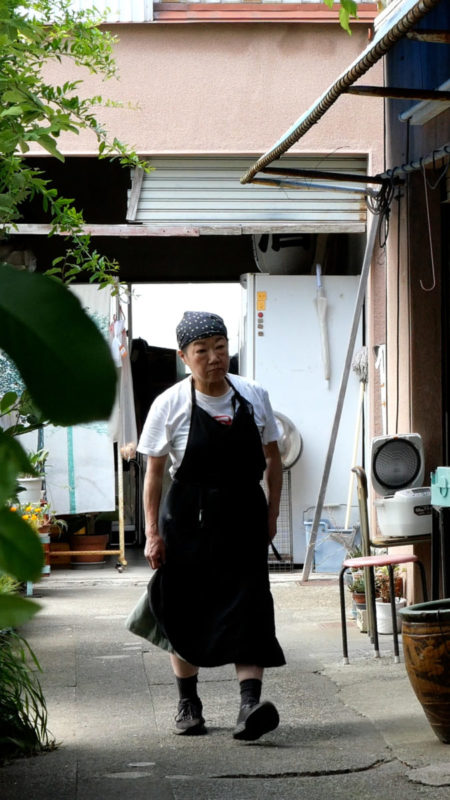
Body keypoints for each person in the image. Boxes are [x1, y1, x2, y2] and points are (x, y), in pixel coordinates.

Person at [134, 310, 285, 740]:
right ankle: (188, 703)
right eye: (202, 350)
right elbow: (154, 475)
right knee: (183, 607)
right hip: (187, 520)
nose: (214, 357)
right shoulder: (170, 404)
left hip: (244, 515)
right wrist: (152, 533)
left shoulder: (253, 395)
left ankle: (249, 706)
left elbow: (273, 458)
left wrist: (272, 514)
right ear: (185, 357)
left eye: (221, 347)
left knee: (250, 606)